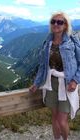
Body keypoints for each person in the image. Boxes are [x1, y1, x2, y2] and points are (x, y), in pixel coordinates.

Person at [29, 11, 80, 140]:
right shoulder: (48, 43)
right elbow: (43, 66)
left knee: (62, 120)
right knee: (54, 117)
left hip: (67, 84)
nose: (56, 24)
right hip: (50, 83)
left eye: (60, 22)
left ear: (65, 25)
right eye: (53, 21)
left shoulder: (72, 42)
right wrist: (36, 83)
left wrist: (75, 80)